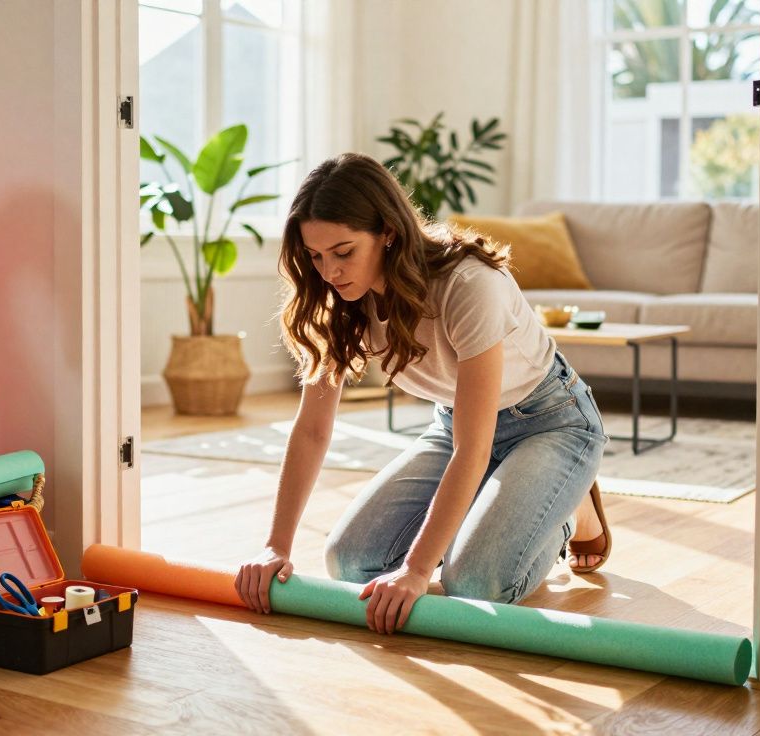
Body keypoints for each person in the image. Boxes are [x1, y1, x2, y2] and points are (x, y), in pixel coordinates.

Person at [233, 153, 610, 634]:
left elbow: (473, 449)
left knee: (474, 582)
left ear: (388, 231)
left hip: (549, 421)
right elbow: (311, 430)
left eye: (344, 252)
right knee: (350, 563)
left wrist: (415, 572)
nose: (329, 271)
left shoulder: (468, 284)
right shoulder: (336, 297)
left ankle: (570, 511)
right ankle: (513, 494)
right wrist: (276, 547)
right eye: (316, 255)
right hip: (456, 426)